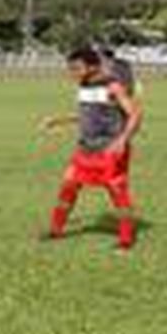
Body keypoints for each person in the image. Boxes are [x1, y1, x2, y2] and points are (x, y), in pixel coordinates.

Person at [41, 47, 144, 251]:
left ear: (93, 66)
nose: (73, 73)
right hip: (85, 148)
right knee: (68, 185)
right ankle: (55, 229)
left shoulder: (113, 86)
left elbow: (135, 114)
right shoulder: (83, 86)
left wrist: (123, 140)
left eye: (77, 68)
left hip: (109, 149)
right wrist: (58, 120)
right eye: (70, 69)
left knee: (117, 191)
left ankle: (125, 239)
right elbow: (88, 115)